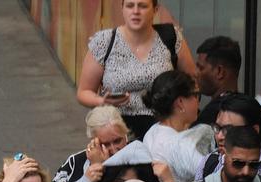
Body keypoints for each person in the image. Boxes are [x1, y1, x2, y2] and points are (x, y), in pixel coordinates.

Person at [76, 0, 197, 139]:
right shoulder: (104, 42)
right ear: (122, 8)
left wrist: (186, 118)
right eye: (129, 5)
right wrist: (102, 101)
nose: (135, 11)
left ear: (155, 9)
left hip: (164, 127)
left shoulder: (171, 38)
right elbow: (84, 92)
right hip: (117, 129)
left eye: (143, 6)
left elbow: (191, 82)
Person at [141, 70, 215, 182]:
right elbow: (213, 179)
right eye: (195, 95)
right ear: (180, 102)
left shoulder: (152, 131)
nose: (198, 101)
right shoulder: (182, 144)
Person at [51, 106, 131, 182]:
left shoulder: (138, 158)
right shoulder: (76, 162)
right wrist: (94, 168)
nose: (114, 150)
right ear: (93, 142)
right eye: (105, 144)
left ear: (125, 135)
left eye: (117, 141)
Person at [194, 36, 242, 127]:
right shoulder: (247, 110)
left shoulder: (211, 116)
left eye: (200, 68)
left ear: (219, 71)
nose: (195, 73)